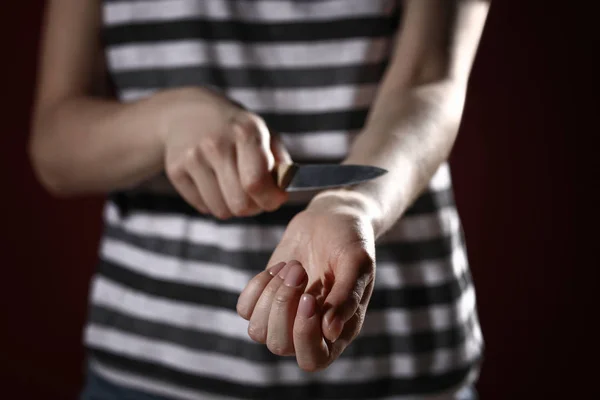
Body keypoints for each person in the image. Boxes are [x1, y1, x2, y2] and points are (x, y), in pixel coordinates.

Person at [30, 0, 490, 399]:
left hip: (403, 366)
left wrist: (351, 205)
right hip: (147, 374)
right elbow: (54, 145)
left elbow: (429, 80)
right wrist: (163, 122)